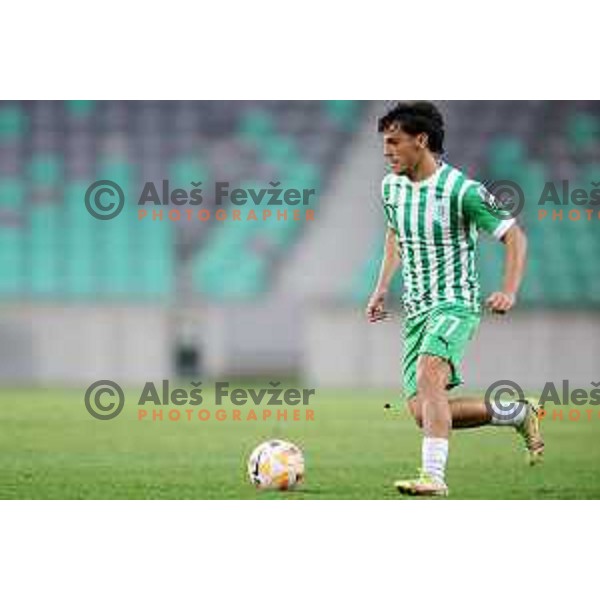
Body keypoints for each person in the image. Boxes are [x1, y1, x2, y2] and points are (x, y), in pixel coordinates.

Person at [366, 101, 543, 497]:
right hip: (417, 310)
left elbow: (516, 236)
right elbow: (395, 232)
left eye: (394, 142)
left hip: (455, 303)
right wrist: (381, 286)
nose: (386, 151)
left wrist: (509, 289)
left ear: (421, 140)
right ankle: (517, 411)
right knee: (423, 411)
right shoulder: (390, 186)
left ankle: (434, 478)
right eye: (384, 143)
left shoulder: (462, 190)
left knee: (431, 373)